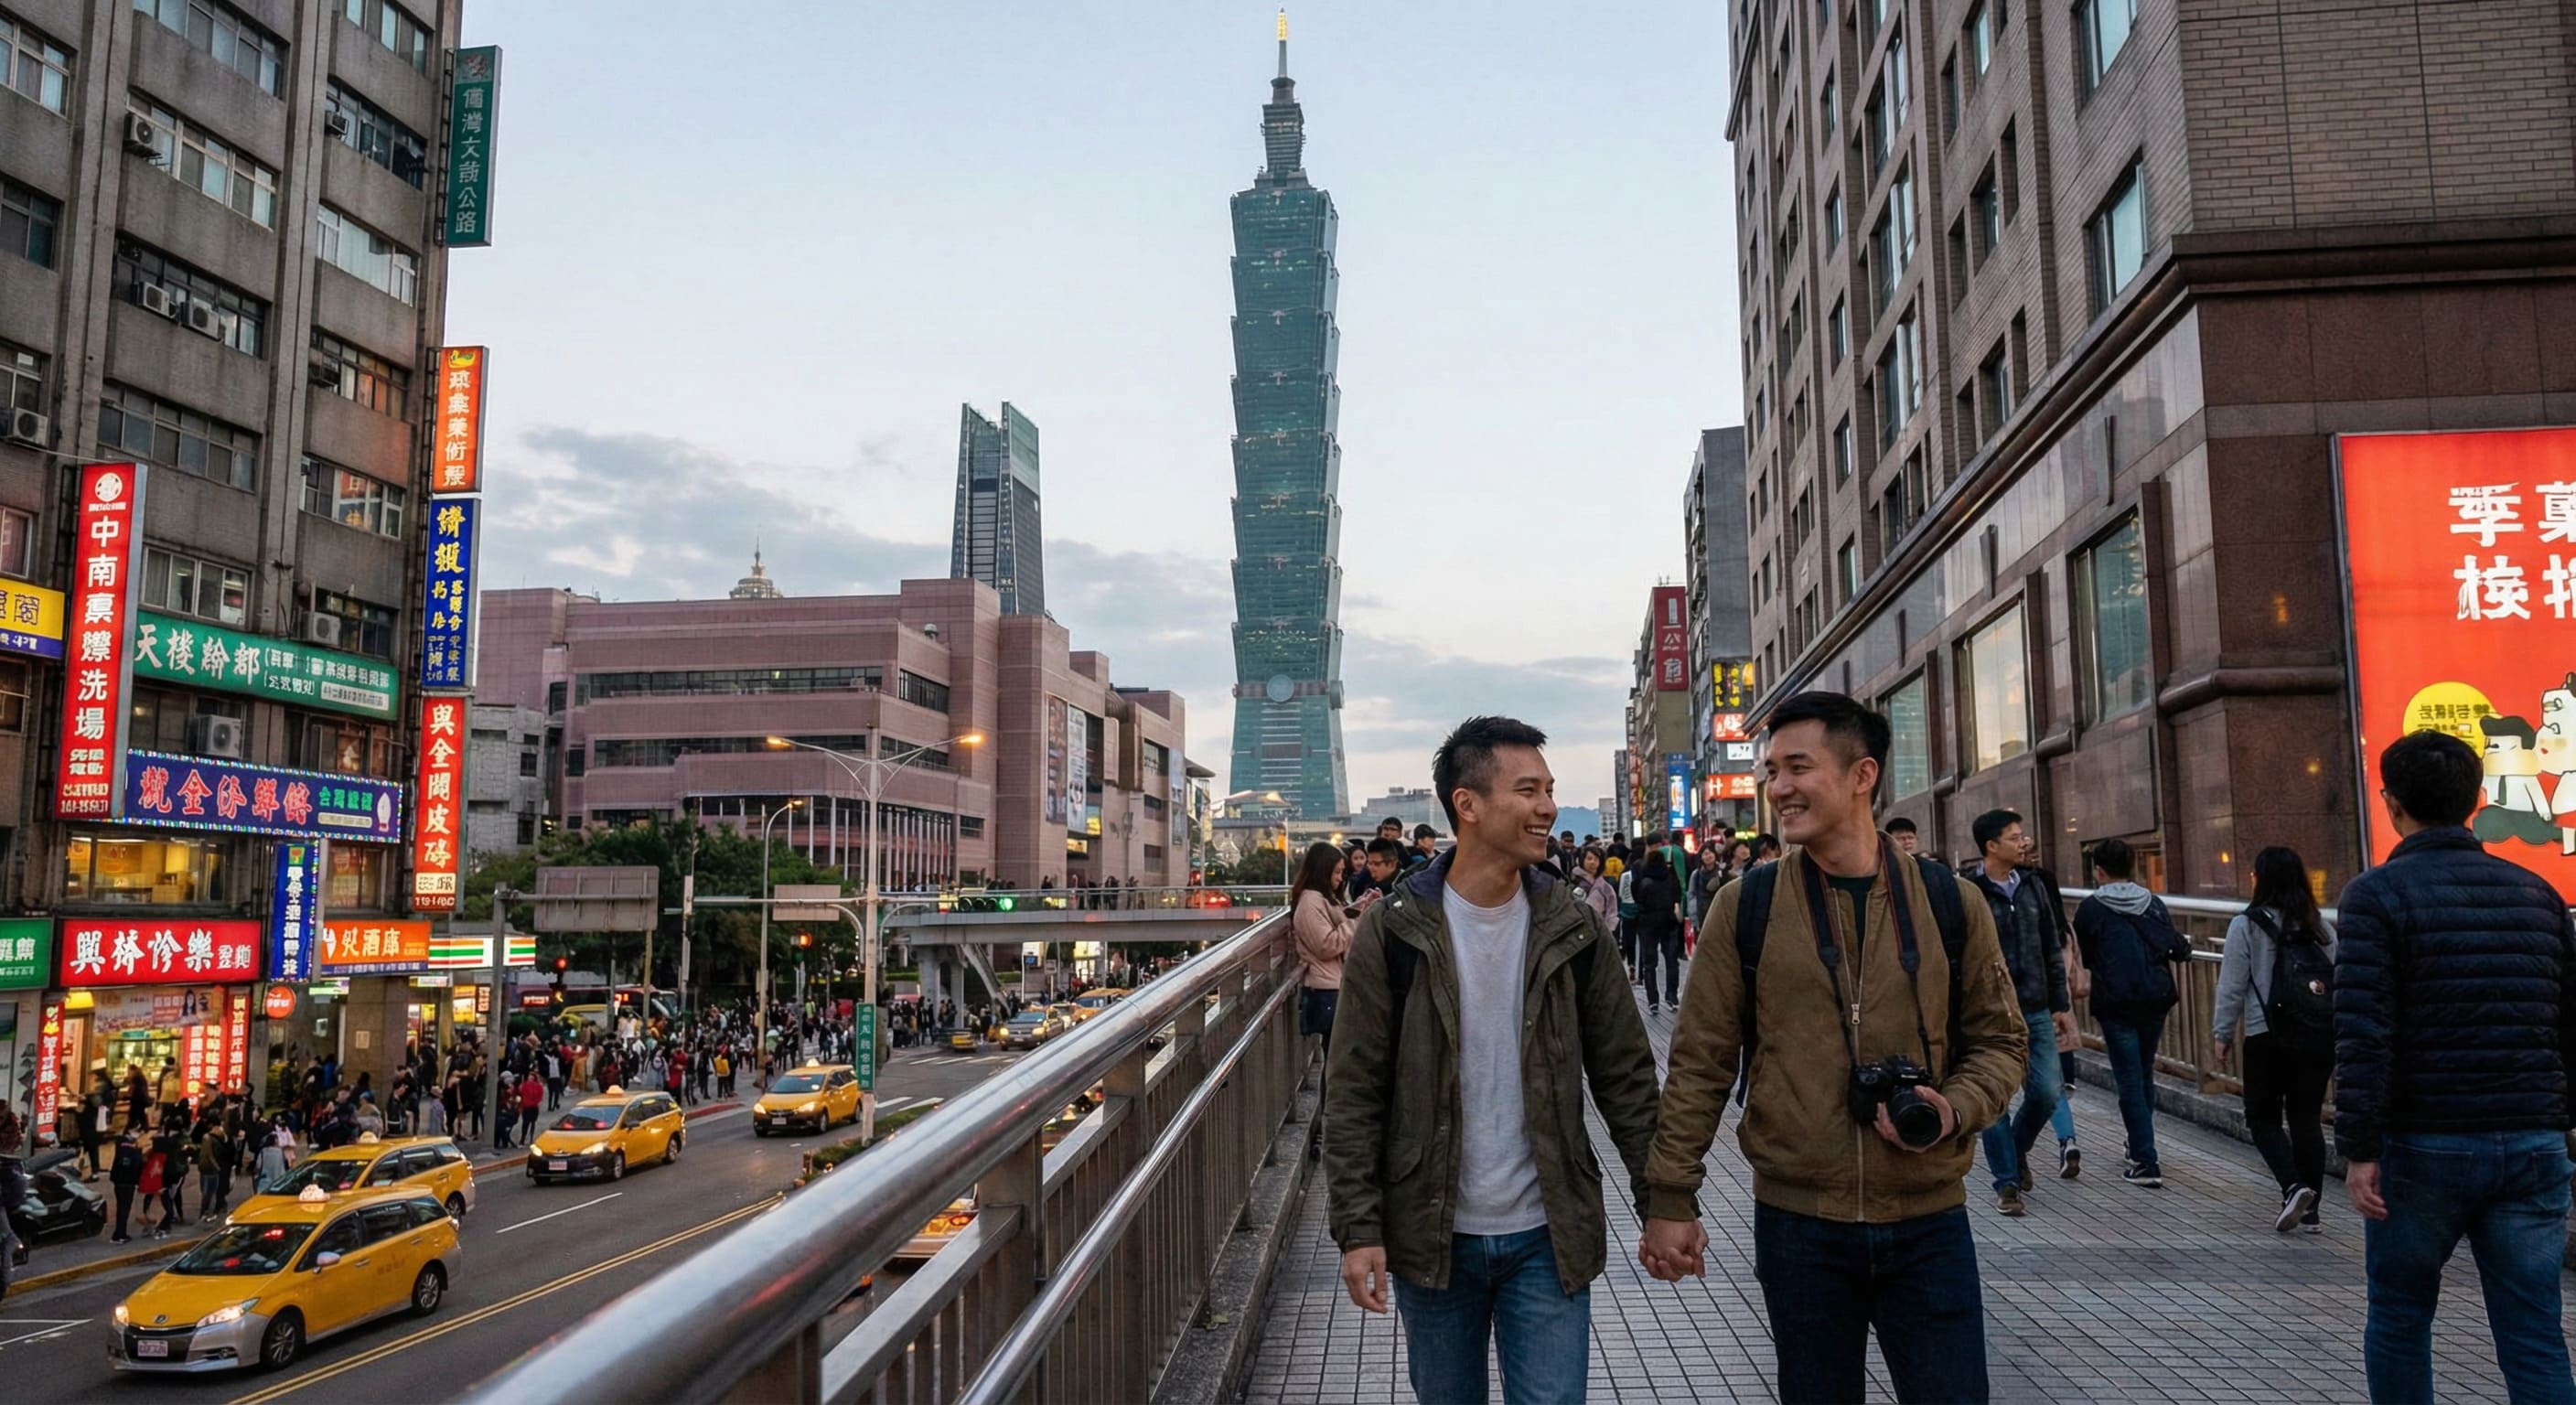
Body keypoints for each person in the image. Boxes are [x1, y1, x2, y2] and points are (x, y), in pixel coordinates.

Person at [1639, 692, 2026, 1404]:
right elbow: (1700, 1064)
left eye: (1797, 767)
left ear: (1861, 775)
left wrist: (1954, 1108)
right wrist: (1671, 1198)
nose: (1778, 788)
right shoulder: (1746, 907)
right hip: (1799, 1226)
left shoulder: (1949, 901)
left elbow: (2002, 1041)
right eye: (1771, 771)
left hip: (1929, 1220)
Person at [1324, 715, 1661, 1405]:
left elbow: (1626, 1074)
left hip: (1548, 1232)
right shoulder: (1393, 930)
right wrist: (1359, 1228)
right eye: (1528, 790)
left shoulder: (1573, 926)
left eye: (1550, 791)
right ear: (1467, 806)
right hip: (1430, 1233)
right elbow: (1355, 1089)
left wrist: (1664, 1201)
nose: (1545, 808)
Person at [2335, 729, 2576, 1403]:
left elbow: (2363, 1032)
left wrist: (2357, 1147)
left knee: (2401, 1317)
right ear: (2476, 800)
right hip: (2531, 1140)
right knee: (2534, 1331)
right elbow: (2569, 1021)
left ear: (2392, 804)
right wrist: (2561, 1120)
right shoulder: (2537, 895)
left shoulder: (2375, 896)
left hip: (2423, 1145)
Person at [2213, 845, 2337, 1234]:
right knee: (2306, 1119)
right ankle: (2312, 1210)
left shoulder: (2246, 925)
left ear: (2262, 880)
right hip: (2317, 1036)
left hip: (2266, 1034)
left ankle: (2293, 1186)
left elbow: (2232, 985)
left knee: (2262, 1118)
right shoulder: (2320, 926)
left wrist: (2221, 1035)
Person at [1960, 808, 2076, 1215]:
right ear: (1991, 846)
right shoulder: (1968, 891)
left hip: (2036, 1006)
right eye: (2014, 837)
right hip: (1987, 1013)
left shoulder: (2032, 887)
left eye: (2021, 836)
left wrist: (2061, 1004)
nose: (2022, 842)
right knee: (1994, 1101)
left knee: (2046, 1093)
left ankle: (2016, 1150)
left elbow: (2050, 945)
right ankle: (2007, 1184)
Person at [2070, 839, 2192, 1191]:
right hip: (2154, 998)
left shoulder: (2092, 908)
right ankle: (2139, 1145)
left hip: (2116, 1002)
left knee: (2129, 1080)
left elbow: (2086, 954)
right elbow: (2173, 944)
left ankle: (2145, 1158)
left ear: (2099, 871)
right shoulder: (2151, 902)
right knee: (2143, 1073)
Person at [1630, 844, 1685, 1014]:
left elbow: (1637, 898)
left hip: (1648, 924)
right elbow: (1677, 895)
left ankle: (1652, 1000)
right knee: (1671, 961)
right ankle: (1672, 996)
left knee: (1649, 964)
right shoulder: (1671, 878)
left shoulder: (1643, 880)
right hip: (1669, 922)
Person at [108, 1129, 142, 1243]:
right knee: (125, 1209)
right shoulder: (135, 1153)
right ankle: (121, 1234)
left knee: (120, 1208)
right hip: (128, 1184)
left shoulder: (119, 1152)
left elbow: (114, 1169)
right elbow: (138, 1169)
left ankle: (118, 1233)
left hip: (118, 1183)